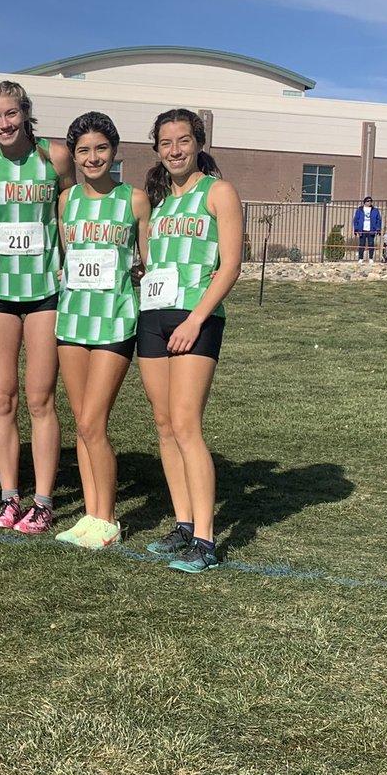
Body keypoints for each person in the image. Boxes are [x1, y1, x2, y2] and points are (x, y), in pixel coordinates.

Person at [138, 108, 243, 573]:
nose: (175, 150)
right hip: (153, 317)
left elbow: (230, 266)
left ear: (198, 142)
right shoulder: (158, 200)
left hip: (195, 320)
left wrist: (196, 319)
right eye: (166, 143)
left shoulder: (218, 192)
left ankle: (205, 538)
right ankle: (182, 524)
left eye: (183, 140)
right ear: (157, 148)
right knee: (163, 424)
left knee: (185, 424)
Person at [0, 80, 75, 534]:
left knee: (40, 398)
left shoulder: (55, 157)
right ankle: (10, 497)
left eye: (11, 114)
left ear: (26, 113)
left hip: (45, 292)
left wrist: (72, 263)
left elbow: (71, 208)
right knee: (1, 397)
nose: (4, 124)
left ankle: (44, 501)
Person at [52, 113, 151, 550]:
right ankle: (90, 515)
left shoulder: (135, 200)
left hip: (115, 319)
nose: (92, 158)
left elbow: (149, 262)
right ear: (73, 155)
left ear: (115, 151)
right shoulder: (65, 201)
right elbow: (66, 255)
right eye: (83, 151)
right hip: (72, 319)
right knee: (81, 423)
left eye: (101, 149)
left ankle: (107, 519)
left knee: (94, 421)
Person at [353, 197, 381, 261]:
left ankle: (371, 258)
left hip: (371, 230)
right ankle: (360, 258)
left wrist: (378, 228)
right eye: (368, 201)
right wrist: (356, 228)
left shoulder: (375, 210)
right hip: (362, 230)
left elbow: (378, 220)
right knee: (362, 244)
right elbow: (356, 219)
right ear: (365, 202)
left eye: (370, 201)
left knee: (371, 244)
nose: (369, 202)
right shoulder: (360, 210)